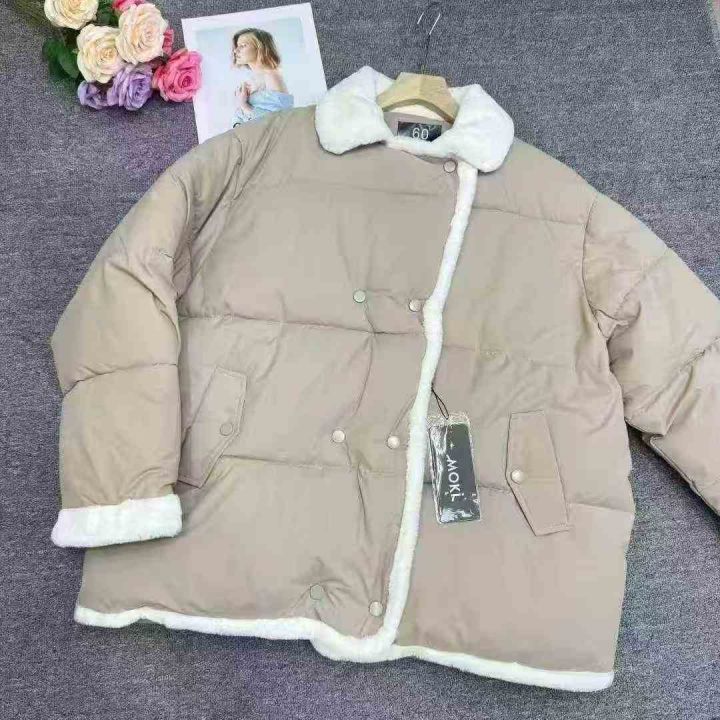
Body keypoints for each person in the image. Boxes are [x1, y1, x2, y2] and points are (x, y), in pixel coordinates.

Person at [230, 27, 294, 127]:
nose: (235, 51)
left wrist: (244, 105)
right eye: (237, 46)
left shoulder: (271, 76)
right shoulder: (250, 80)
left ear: (260, 48)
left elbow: (280, 121)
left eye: (243, 45)